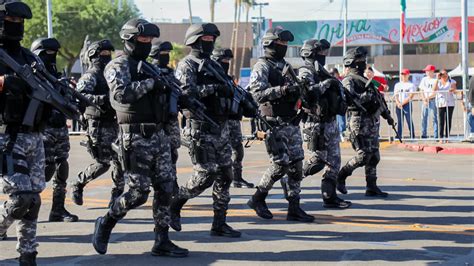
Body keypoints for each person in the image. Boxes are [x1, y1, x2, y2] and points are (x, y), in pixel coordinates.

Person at [92, 18, 188, 257]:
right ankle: (106, 222)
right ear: (129, 39)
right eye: (142, 39)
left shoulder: (152, 67)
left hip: (159, 135)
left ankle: (161, 240)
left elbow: (166, 96)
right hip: (134, 136)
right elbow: (121, 95)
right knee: (137, 194)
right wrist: (151, 83)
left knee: (166, 188)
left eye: (149, 40)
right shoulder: (117, 65)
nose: (146, 43)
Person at [0, 1, 73, 264]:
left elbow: (47, 87)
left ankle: (27, 255)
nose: (16, 26)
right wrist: (4, 82)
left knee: (33, 202)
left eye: (20, 22)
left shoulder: (29, 57)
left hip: (34, 137)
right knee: (21, 199)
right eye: (11, 20)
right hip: (6, 136)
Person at [169, 23, 242, 238]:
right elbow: (186, 95)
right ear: (195, 40)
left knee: (225, 175)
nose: (210, 43)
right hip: (200, 128)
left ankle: (219, 223)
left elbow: (227, 89)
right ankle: (177, 201)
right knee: (205, 175)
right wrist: (214, 88)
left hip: (220, 127)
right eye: (206, 39)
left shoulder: (213, 65)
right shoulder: (187, 65)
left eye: (212, 39)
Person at [246, 28, 314, 223]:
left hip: (291, 121)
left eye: (285, 44)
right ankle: (258, 198)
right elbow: (257, 93)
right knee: (280, 165)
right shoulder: (262, 65)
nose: (283, 47)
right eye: (280, 43)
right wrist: (283, 90)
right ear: (269, 44)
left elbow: (297, 90)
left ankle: (294, 207)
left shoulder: (285, 65)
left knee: (296, 166)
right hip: (273, 123)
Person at [296, 39, 351, 209]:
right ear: (311, 53)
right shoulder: (305, 71)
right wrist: (328, 83)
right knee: (317, 160)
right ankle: (290, 179)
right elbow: (307, 93)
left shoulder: (322, 70)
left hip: (330, 121)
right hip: (315, 122)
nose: (324, 56)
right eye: (321, 53)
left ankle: (329, 196)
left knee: (334, 161)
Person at [31, 37, 79, 222]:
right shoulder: (32, 78)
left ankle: (57, 209)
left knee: (62, 166)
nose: (51, 58)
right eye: (46, 54)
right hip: (42, 128)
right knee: (46, 168)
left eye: (53, 54)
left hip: (59, 128)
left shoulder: (57, 77)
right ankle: (25, 205)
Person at [72, 40, 124, 207]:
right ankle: (79, 183)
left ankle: (117, 196)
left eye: (109, 54)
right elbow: (79, 97)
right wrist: (104, 99)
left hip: (115, 122)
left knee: (121, 160)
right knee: (102, 163)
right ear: (93, 56)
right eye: (102, 54)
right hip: (97, 124)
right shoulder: (91, 75)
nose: (106, 57)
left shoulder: (112, 74)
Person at [337, 47, 395, 198]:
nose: (363, 63)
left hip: (371, 122)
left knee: (374, 156)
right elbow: (350, 101)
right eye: (360, 60)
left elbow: (379, 100)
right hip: (358, 122)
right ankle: (341, 175)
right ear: (352, 63)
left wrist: (387, 115)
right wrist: (366, 95)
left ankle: (371, 186)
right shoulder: (348, 80)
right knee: (363, 156)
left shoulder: (366, 80)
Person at [211, 48, 254, 188]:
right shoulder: (211, 79)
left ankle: (237, 177)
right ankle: (221, 178)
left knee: (238, 150)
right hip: (220, 121)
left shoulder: (229, 79)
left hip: (233, 119)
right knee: (223, 152)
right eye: (223, 61)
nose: (226, 64)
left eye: (228, 61)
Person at [149, 40, 181, 192]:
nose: (166, 57)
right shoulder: (149, 71)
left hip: (170, 118)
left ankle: (172, 182)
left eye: (168, 54)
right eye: (163, 54)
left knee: (173, 152)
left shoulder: (169, 72)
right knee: (156, 154)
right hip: (156, 119)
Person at [433, 69, 457, 143]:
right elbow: (434, 89)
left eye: (445, 74)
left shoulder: (451, 81)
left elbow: (454, 89)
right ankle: (441, 138)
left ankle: (447, 138)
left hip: (450, 103)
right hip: (440, 103)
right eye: (442, 74)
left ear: (447, 74)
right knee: (441, 121)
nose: (444, 75)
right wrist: (437, 79)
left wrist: (452, 89)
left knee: (448, 120)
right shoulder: (438, 81)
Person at [393, 68, 415, 139]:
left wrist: (402, 103)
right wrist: (398, 103)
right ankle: (399, 135)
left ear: (408, 75)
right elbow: (395, 95)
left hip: (407, 104)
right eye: (402, 74)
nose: (403, 76)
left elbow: (411, 96)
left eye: (405, 74)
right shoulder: (397, 85)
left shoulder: (411, 85)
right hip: (398, 104)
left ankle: (412, 135)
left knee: (409, 120)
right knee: (400, 121)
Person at [419, 64, 438, 139]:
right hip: (425, 101)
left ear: (432, 71)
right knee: (424, 117)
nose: (426, 72)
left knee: (434, 118)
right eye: (426, 71)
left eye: (428, 71)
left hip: (432, 100)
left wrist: (428, 98)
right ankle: (424, 134)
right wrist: (424, 99)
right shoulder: (424, 79)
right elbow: (421, 90)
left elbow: (435, 92)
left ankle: (436, 135)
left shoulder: (435, 80)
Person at [330, 68, 347, 141]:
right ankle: (338, 133)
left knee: (341, 118)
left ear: (337, 74)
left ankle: (341, 132)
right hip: (333, 103)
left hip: (340, 103)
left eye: (333, 73)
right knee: (335, 119)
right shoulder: (330, 81)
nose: (333, 75)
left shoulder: (340, 81)